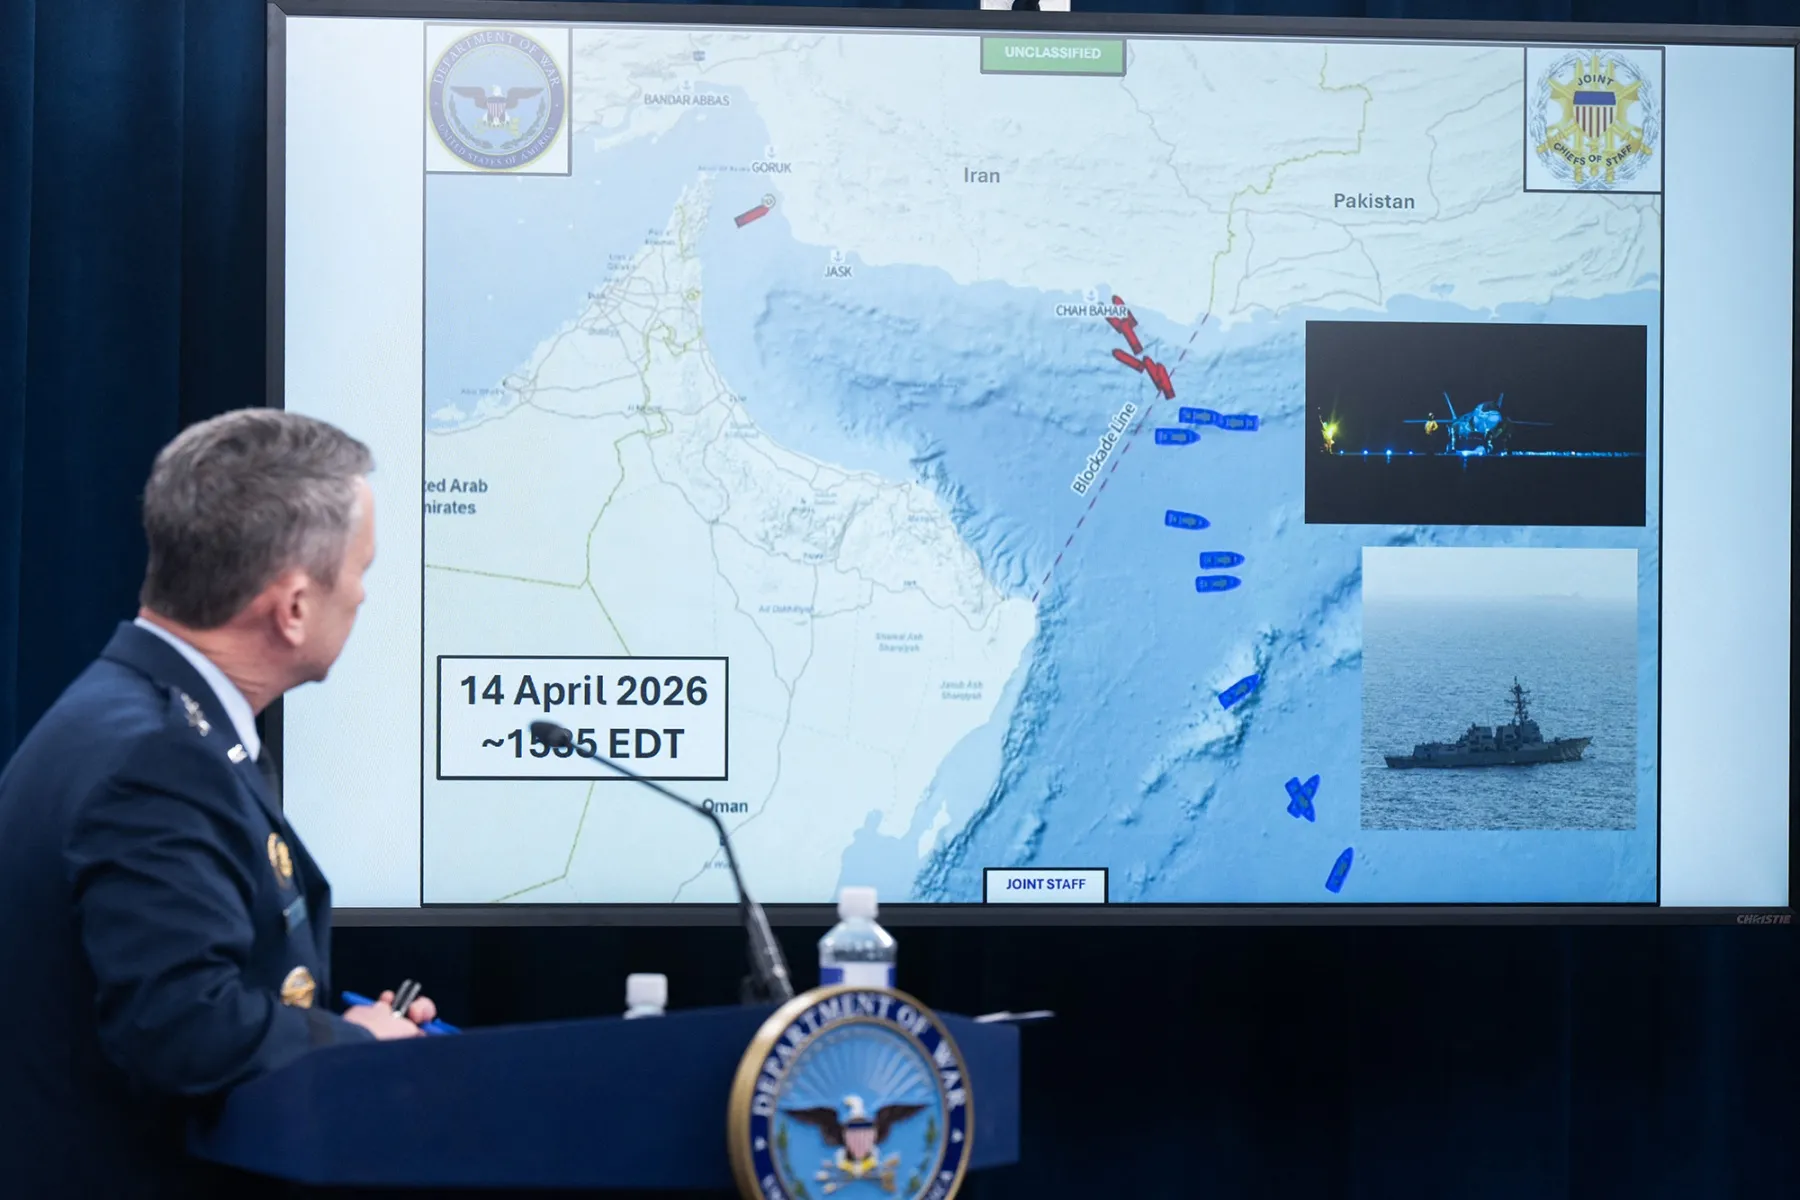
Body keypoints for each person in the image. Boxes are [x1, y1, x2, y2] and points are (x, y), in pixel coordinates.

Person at [0, 409, 434, 1197]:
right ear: (292, 606)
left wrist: (340, 1028)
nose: (364, 595)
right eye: (360, 569)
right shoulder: (157, 763)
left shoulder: (130, 714)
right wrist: (353, 1047)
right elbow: (183, 1029)